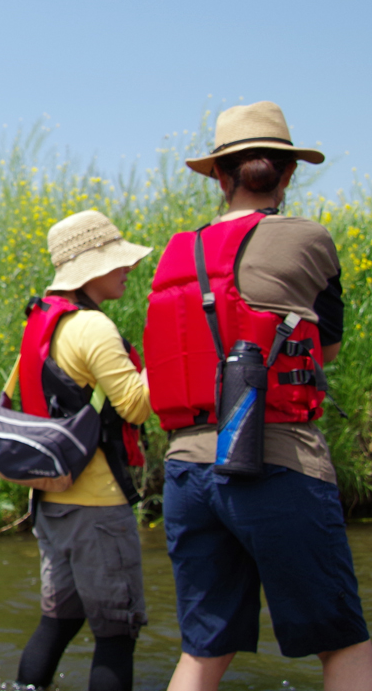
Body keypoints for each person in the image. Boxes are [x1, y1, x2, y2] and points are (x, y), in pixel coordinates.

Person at [144, 101, 371, 690]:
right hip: (276, 462)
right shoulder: (308, 238)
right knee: (344, 644)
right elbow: (328, 349)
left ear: (220, 178)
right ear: (289, 174)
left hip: (187, 472)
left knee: (202, 651)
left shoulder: (176, 253)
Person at [9, 210, 153, 691]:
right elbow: (134, 406)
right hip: (98, 507)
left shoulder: (41, 323)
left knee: (60, 620)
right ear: (92, 269)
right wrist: (164, 357)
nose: (128, 268)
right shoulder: (93, 328)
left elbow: (18, 395)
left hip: (50, 502)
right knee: (116, 633)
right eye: (119, 261)